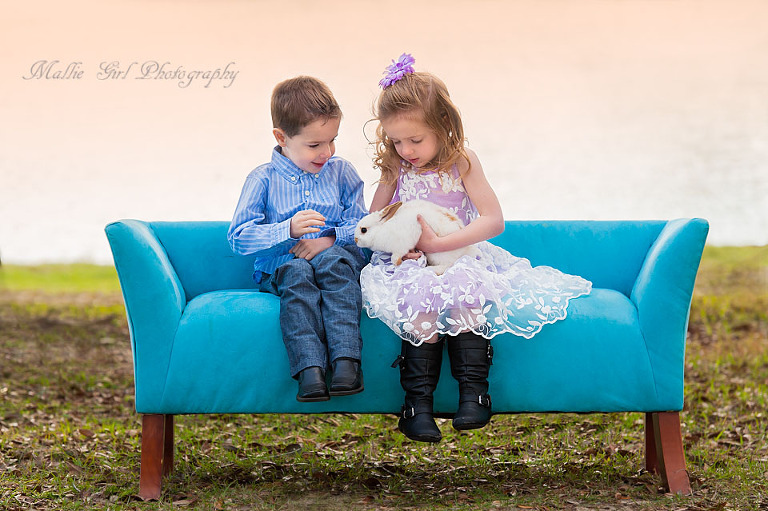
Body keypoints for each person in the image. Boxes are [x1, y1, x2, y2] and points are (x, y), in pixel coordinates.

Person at [362, 54, 592, 442]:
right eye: (396, 140)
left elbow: (492, 220)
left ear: (443, 125)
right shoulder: (394, 168)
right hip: (414, 261)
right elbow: (376, 221)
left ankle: (475, 394)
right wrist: (408, 247)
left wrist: (440, 244)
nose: (406, 149)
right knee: (421, 304)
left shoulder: (463, 162)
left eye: (415, 139)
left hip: (459, 254)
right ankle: (416, 405)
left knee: (466, 296)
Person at [228, 76, 368, 403]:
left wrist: (330, 239)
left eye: (332, 141)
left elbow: (362, 224)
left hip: (336, 257)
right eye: (314, 145)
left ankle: (348, 363)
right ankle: (310, 371)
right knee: (298, 274)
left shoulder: (342, 172)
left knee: (334, 265)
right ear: (282, 137)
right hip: (284, 265)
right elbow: (238, 238)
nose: (327, 152)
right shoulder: (262, 178)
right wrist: (286, 230)